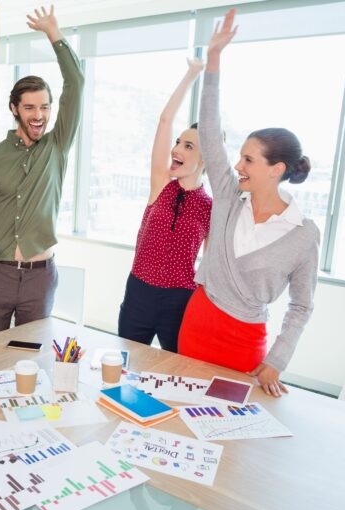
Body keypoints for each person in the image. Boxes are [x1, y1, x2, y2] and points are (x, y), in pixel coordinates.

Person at [178, 9, 320, 397]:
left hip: (244, 341)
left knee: (234, 440)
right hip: (197, 323)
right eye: (238, 157)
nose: (237, 165)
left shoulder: (303, 234)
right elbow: (209, 131)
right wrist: (214, 61)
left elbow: (301, 306)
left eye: (248, 160)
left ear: (276, 169)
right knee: (184, 416)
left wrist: (278, 359)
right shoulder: (228, 196)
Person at [0, 5, 84, 338]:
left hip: (39, 278)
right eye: (30, 107)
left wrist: (54, 34)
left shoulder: (57, 147)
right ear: (14, 108)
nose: (39, 114)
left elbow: (76, 84)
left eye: (45, 106)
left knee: (31, 361)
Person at [117, 58, 211, 353]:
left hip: (180, 300)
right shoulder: (161, 182)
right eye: (179, 142)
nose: (177, 149)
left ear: (205, 160)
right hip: (139, 293)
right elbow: (165, 120)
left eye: (188, 146)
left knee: (174, 372)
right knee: (126, 365)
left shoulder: (210, 207)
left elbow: (209, 267)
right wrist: (192, 73)